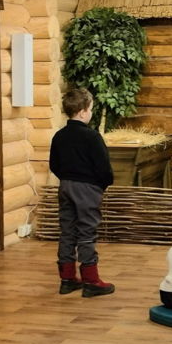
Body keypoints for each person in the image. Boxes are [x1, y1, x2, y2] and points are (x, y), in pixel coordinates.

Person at [49, 88, 115, 297]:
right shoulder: (92, 137)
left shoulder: (59, 136)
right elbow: (104, 168)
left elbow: (54, 165)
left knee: (67, 231)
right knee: (87, 233)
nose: (91, 113)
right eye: (91, 109)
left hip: (65, 186)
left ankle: (67, 279)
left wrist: (67, 178)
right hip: (87, 189)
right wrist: (101, 185)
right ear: (83, 111)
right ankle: (91, 281)